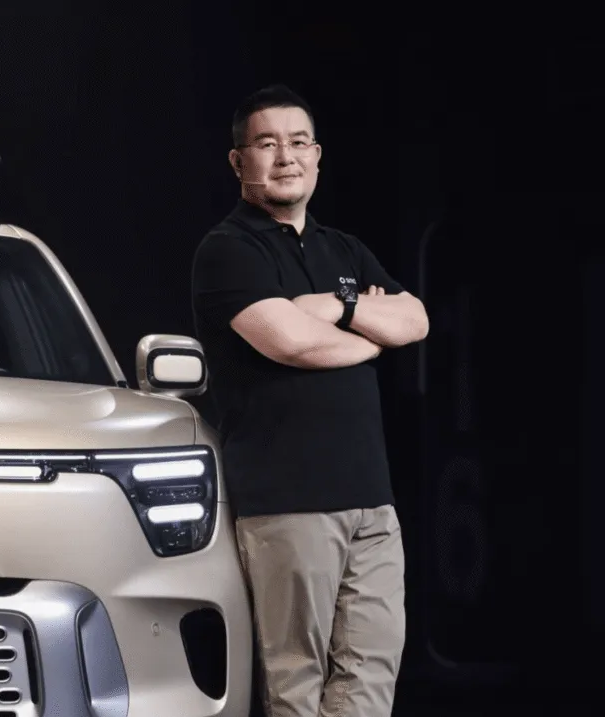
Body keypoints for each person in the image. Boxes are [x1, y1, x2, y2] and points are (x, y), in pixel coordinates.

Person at [190, 85, 430, 717]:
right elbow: (292, 342)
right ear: (239, 161)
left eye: (298, 142)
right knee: (295, 684)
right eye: (267, 144)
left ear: (318, 155)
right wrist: (370, 334)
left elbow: (415, 320)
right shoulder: (228, 250)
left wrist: (338, 307)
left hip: (371, 502)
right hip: (288, 505)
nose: (285, 157)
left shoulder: (344, 250)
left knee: (370, 679)